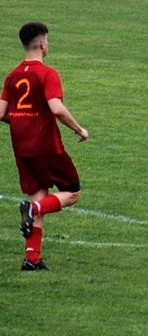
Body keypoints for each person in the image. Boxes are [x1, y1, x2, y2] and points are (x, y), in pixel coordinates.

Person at [0, 22, 88, 271]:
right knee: (72, 193)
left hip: (22, 147)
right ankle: (33, 209)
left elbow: (1, 113)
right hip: (47, 146)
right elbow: (56, 108)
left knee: (38, 195)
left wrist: (22, 121)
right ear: (42, 43)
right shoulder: (47, 73)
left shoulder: (12, 76)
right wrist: (79, 129)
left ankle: (32, 259)